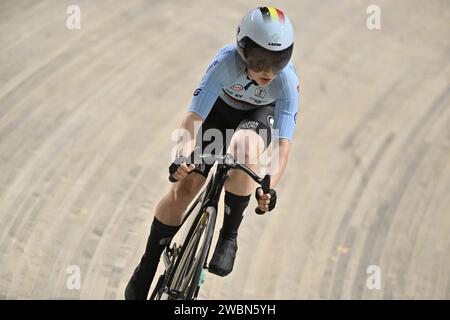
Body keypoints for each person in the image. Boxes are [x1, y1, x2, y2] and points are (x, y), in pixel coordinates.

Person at [125, 6, 300, 300]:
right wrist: (182, 156)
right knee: (187, 186)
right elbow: (193, 118)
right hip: (219, 115)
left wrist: (269, 187)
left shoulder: (286, 83)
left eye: (278, 61)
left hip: (257, 117)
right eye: (259, 62)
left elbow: (283, 148)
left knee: (246, 148)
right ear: (242, 50)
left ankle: (229, 235)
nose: (268, 72)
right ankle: (148, 262)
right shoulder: (224, 63)